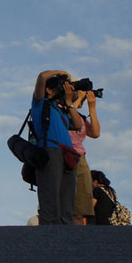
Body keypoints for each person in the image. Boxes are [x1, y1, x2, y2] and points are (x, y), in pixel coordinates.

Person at [31, 70, 83, 225]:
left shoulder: (61, 109)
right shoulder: (40, 103)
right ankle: (50, 236)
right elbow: (41, 77)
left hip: (68, 154)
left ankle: (65, 234)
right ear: (49, 90)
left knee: (67, 199)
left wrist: (69, 103)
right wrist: (62, 73)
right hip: (50, 150)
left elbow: (78, 124)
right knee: (50, 196)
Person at [69, 90, 100, 224]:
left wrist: (92, 108)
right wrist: (77, 99)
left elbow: (95, 133)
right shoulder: (61, 109)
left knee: (80, 208)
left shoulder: (80, 116)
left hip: (79, 157)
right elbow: (67, 115)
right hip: (63, 155)